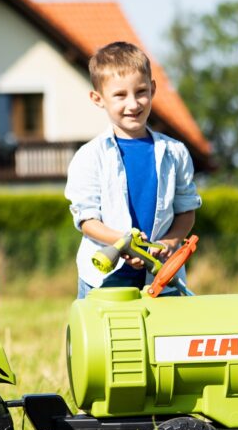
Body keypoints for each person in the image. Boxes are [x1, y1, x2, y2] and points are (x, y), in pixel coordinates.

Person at [65, 41, 202, 299]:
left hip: (163, 278)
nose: (133, 104)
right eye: (120, 95)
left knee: (162, 339)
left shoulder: (176, 153)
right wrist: (124, 243)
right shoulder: (89, 157)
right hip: (103, 279)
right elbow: (87, 220)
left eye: (140, 91)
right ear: (98, 99)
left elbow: (186, 213)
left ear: (152, 89)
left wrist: (168, 244)